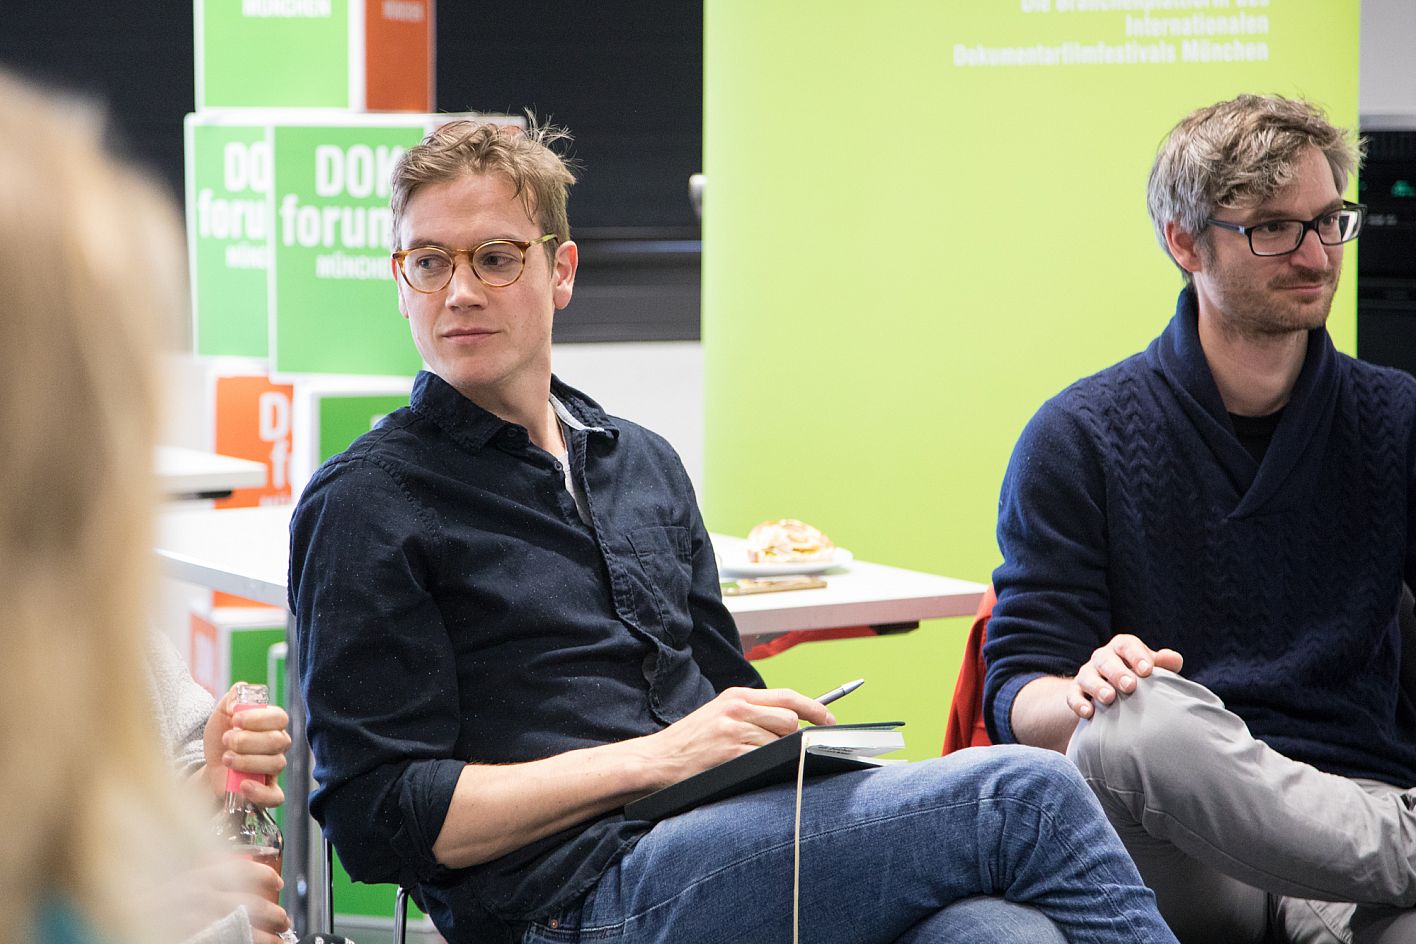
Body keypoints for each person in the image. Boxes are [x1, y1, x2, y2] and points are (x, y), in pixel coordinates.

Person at [289, 119, 1179, 944]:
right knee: (1026, 793)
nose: (458, 292)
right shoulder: (367, 502)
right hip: (565, 902)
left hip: (721, 848)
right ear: (399, 279)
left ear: (560, 271)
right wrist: (659, 759)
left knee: (997, 933)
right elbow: (379, 819)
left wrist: (772, 740)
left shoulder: (641, 462)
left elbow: (720, 691)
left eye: (494, 258)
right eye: (428, 262)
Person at [983, 93, 1416, 943]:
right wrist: (1085, 690)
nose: (1316, 254)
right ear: (1185, 242)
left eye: (1330, 221)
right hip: (1177, 831)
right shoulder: (1078, 435)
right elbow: (1016, 692)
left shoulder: (1396, 418)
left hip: (1352, 815)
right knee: (1133, 720)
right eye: (1273, 228)